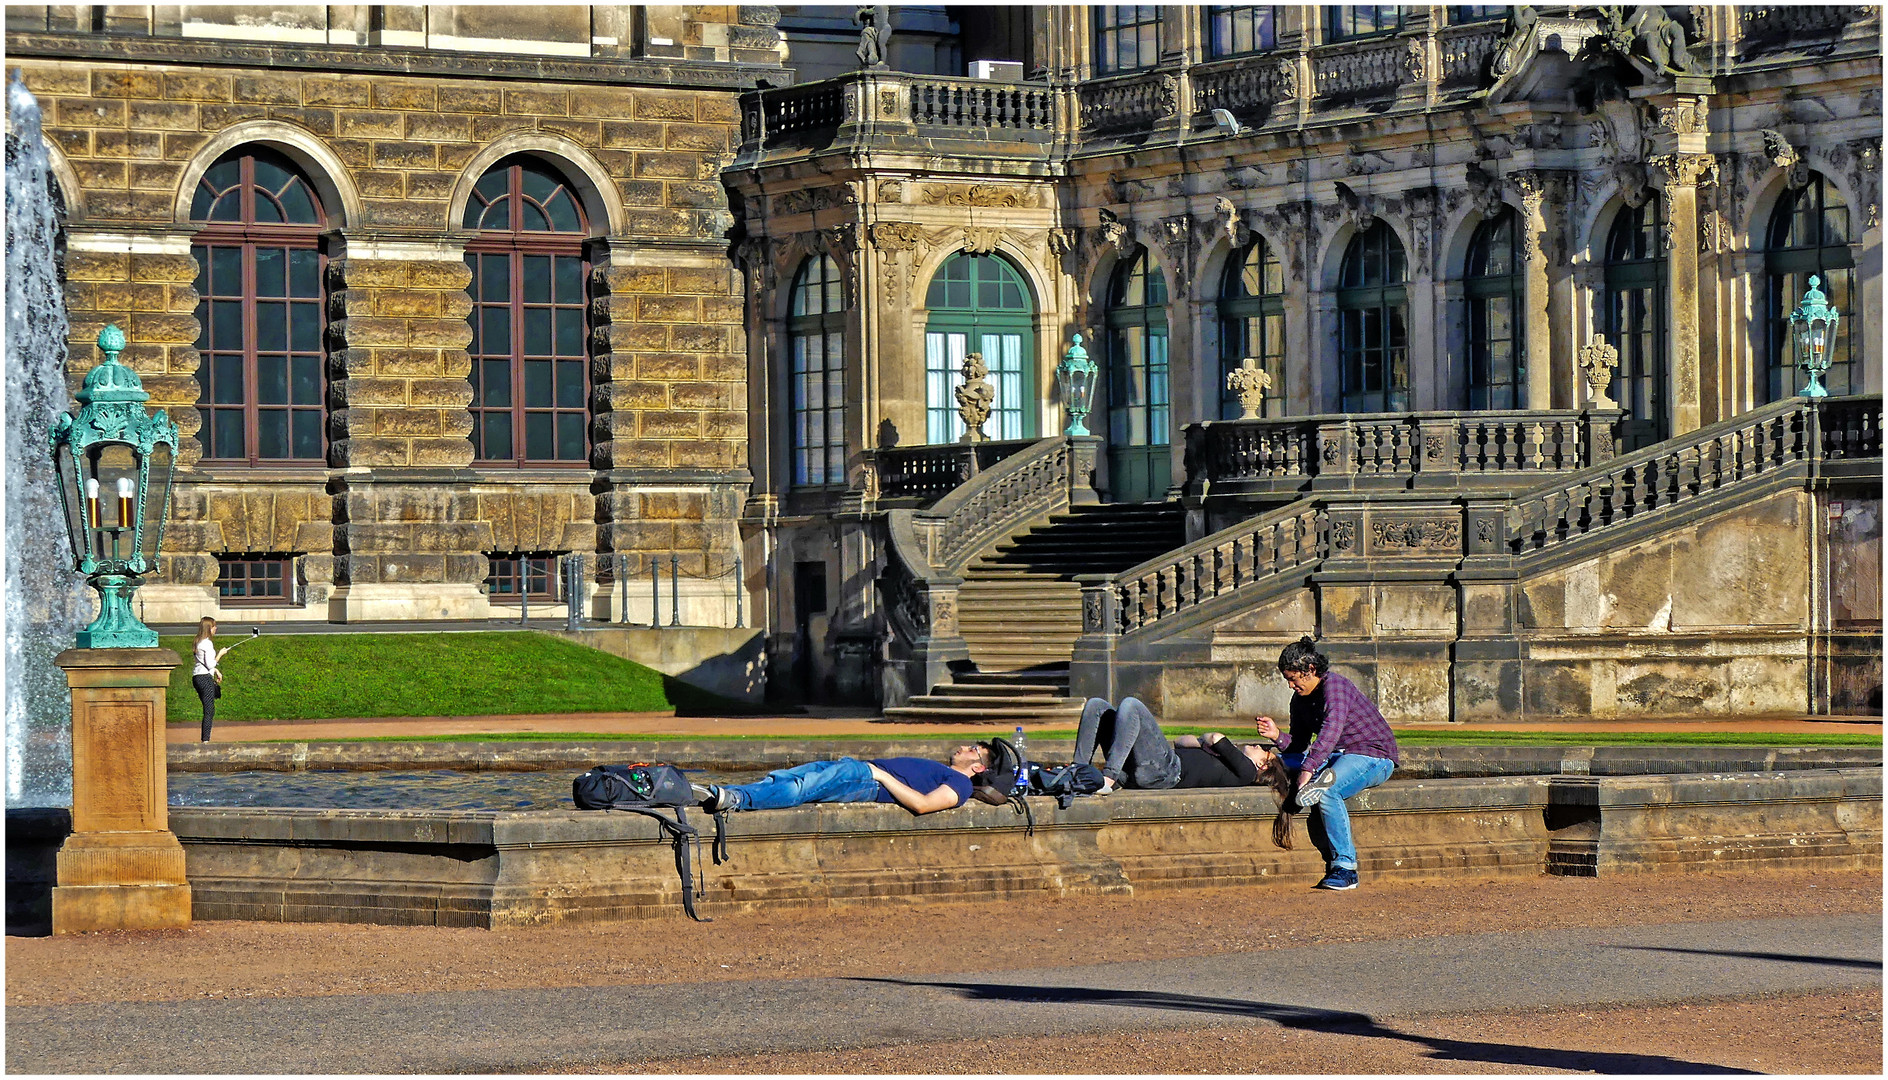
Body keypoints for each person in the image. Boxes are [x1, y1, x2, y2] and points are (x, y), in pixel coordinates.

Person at [1256, 636, 1399, 892]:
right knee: (1278, 761)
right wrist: (1276, 736)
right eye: (1287, 679)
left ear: (1310, 670)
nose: (1290, 685)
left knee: (1328, 791)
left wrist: (1308, 768)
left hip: (1372, 755)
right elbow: (1299, 744)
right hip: (1335, 757)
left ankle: (1345, 868)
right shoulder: (1299, 700)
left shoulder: (1336, 686)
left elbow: (1331, 730)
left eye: (1293, 678)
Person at [1071, 696, 1297, 848]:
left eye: (1265, 752)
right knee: (1097, 706)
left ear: (1263, 766)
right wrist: (1205, 743)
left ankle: (1108, 778)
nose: (1260, 746)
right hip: (1152, 766)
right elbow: (1180, 741)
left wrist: (1209, 741)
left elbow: (1216, 737)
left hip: (1167, 770)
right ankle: (1076, 772)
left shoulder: (1246, 771)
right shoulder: (1231, 762)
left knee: (1132, 704)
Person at [697, 744, 994, 816]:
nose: (964, 748)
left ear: (978, 768)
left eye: (973, 750)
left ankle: (739, 800)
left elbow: (923, 804)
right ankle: (725, 793)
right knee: (787, 776)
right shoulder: (947, 771)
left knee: (802, 788)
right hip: (860, 769)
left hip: (868, 779)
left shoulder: (962, 785)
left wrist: (880, 775)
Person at [191, 616, 234, 743]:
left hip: (197, 677)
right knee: (209, 710)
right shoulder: (207, 643)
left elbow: (203, 663)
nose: (216, 628)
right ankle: (206, 741)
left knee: (209, 708)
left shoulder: (198, 641)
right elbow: (210, 664)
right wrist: (220, 654)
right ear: (209, 628)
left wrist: (216, 671)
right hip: (204, 679)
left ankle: (206, 739)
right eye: (214, 626)